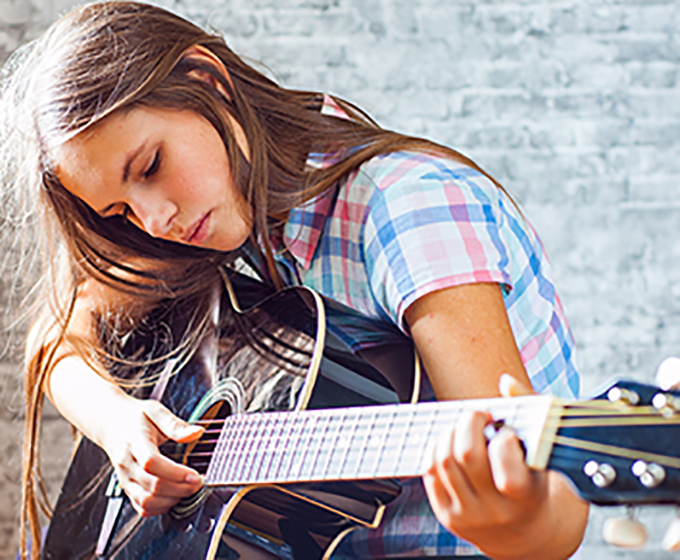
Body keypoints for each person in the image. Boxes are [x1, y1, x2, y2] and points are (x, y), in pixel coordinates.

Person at [0, 2, 588, 559]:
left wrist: (518, 514)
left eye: (151, 166)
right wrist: (116, 422)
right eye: (120, 213)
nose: (156, 221)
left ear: (207, 82)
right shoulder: (214, 224)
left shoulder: (407, 211)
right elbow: (55, 337)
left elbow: (554, 523)